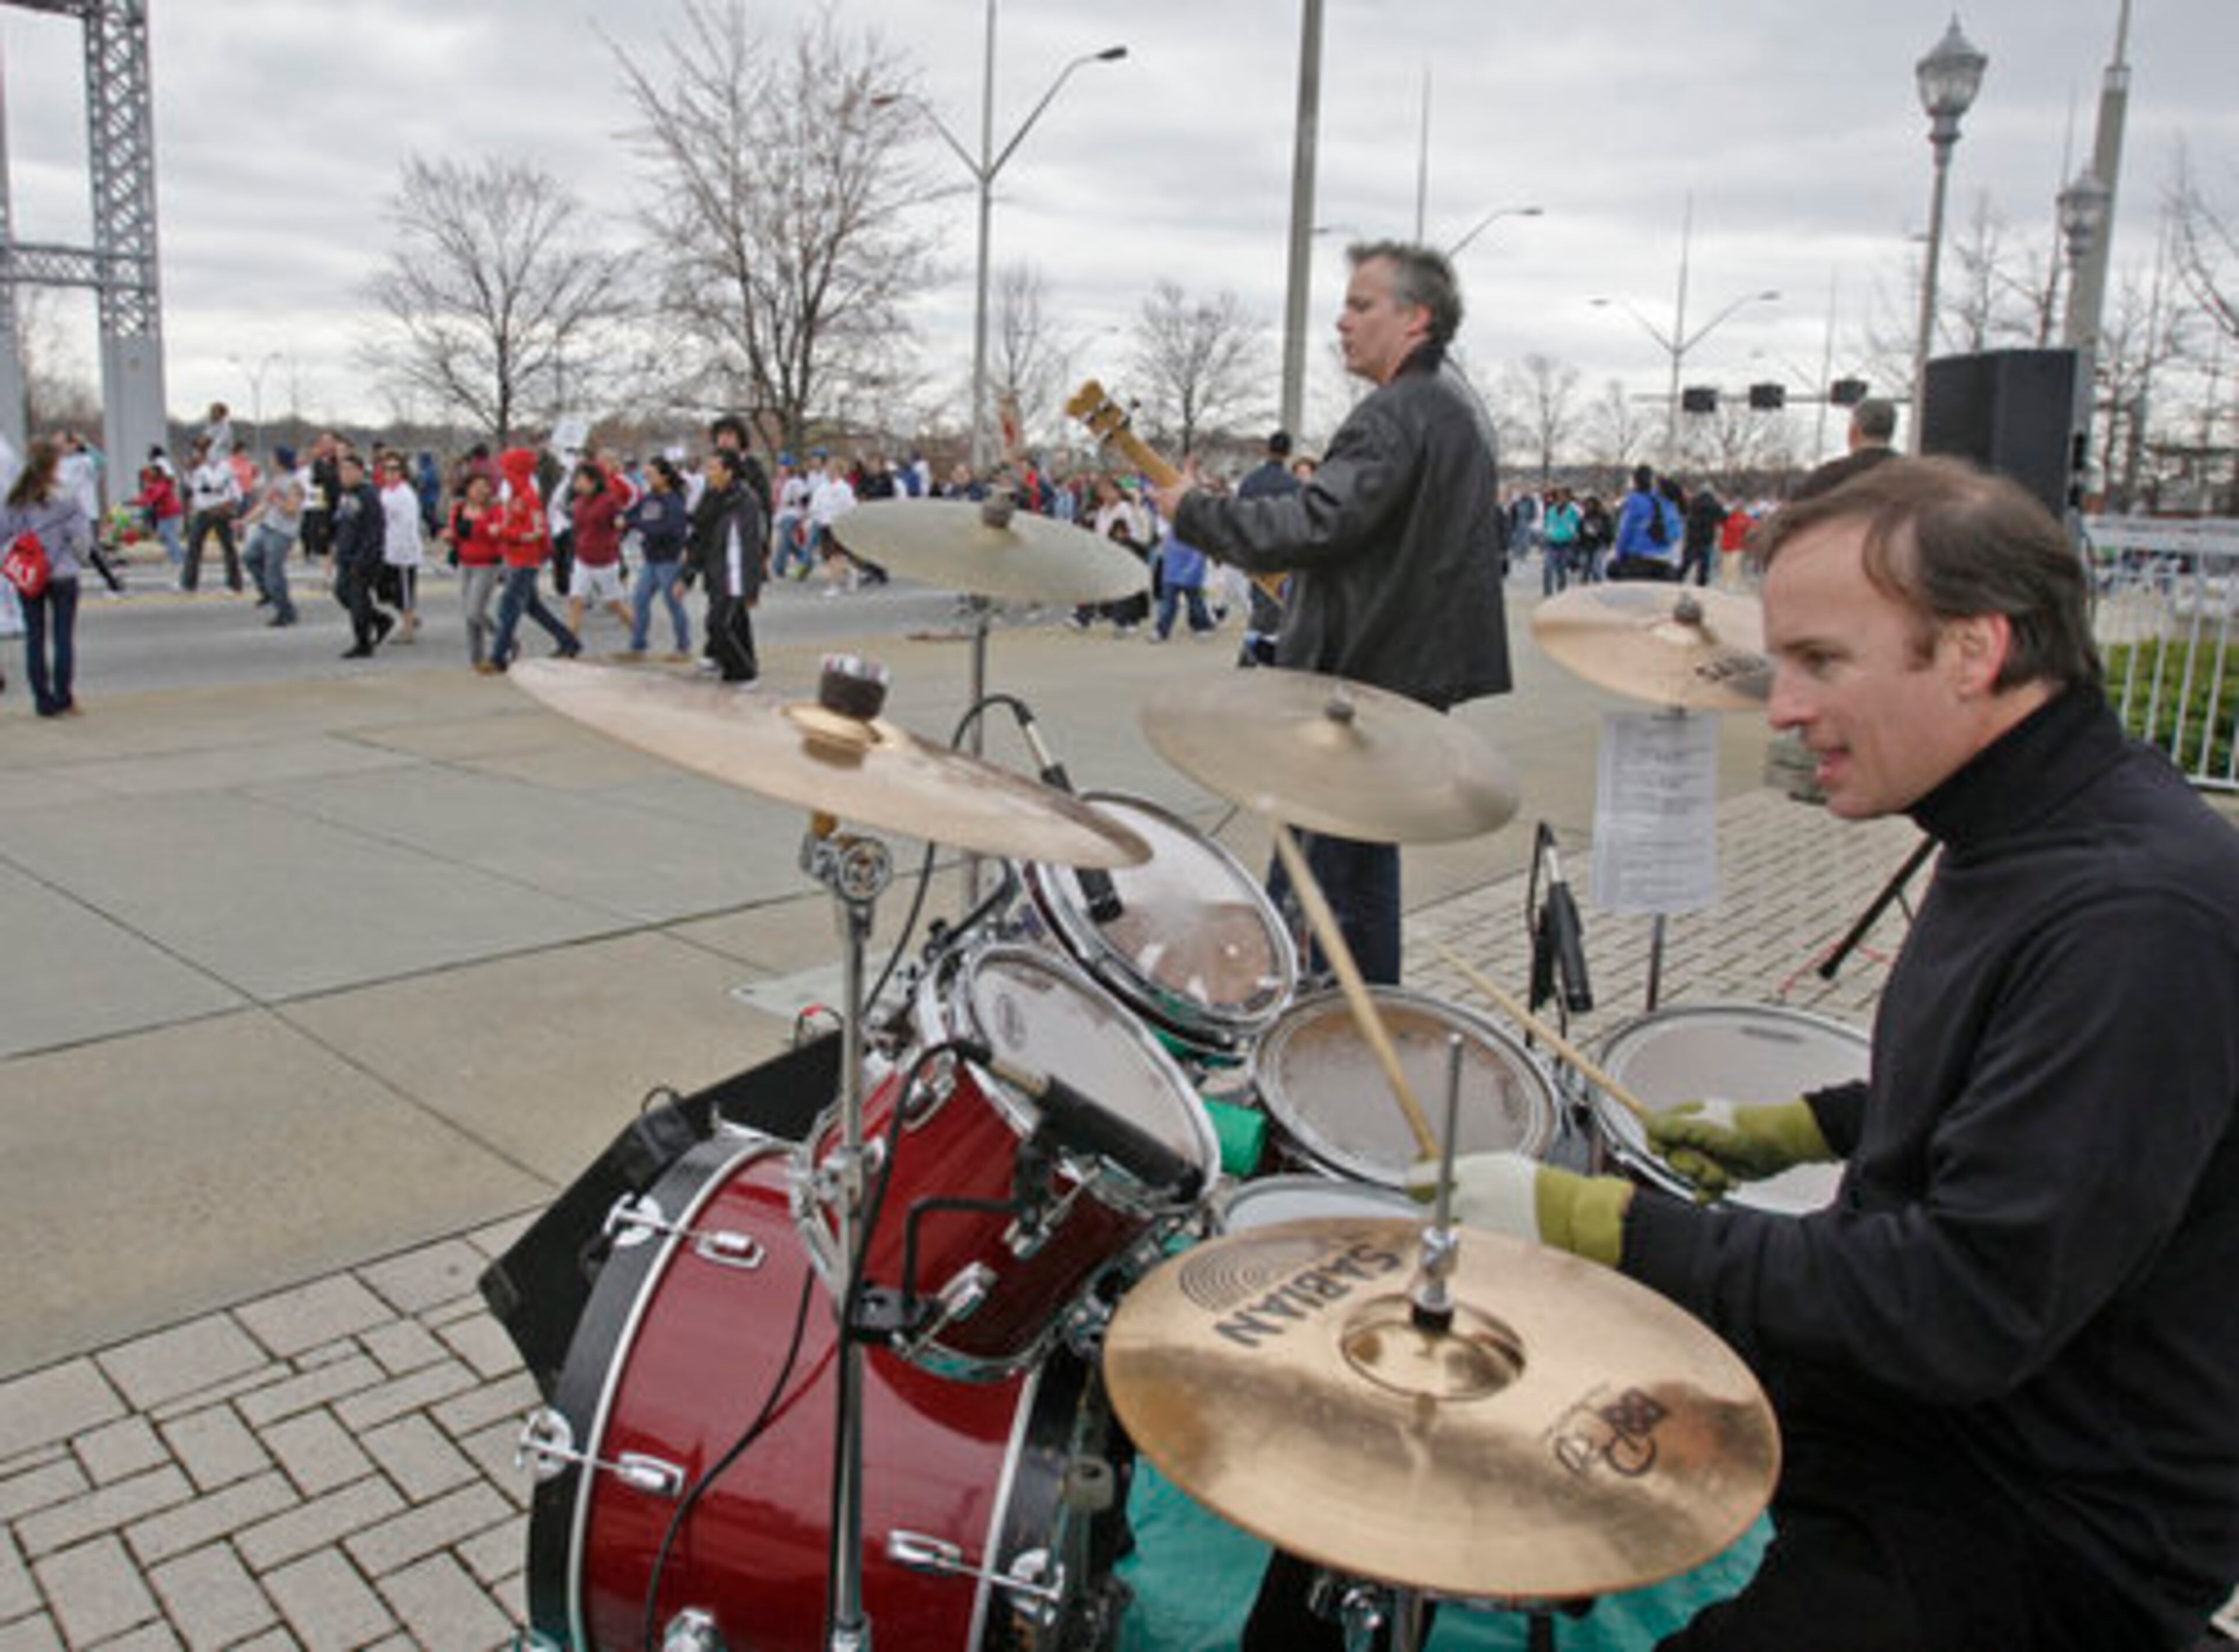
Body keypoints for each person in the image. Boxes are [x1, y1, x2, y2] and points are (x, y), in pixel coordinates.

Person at [1428, 456, 2239, 1652]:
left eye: (1820, 662)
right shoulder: (2023, 824)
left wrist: (1601, 1226)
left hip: (2043, 1520)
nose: (1783, 707)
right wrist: (1804, 1127)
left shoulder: (2134, 916)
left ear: (1973, 650)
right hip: (1937, 1423)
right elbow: (2005, 1089)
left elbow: (1963, 1304)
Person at [1148, 239, 1510, 989]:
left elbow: (1315, 524)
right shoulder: (1454, 410)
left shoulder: (1395, 413)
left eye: (1360, 304)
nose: (1342, 322)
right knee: (1363, 884)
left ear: (1416, 318)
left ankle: (1303, 1048)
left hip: (1355, 694)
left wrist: (1197, 514)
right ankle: (1366, 1033)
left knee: (1311, 895)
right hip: (1402, 686)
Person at [3, 436, 93, 717]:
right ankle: (64, 696)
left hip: (31, 573)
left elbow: (4, 532)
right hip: (63, 573)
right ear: (55, 463)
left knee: (35, 637)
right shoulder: (67, 495)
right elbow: (81, 538)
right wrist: (81, 558)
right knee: (63, 637)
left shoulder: (18, 498)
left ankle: (42, 700)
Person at [487, 447, 580, 672]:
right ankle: (568, 641)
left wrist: (502, 532)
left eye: (507, 469)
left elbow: (536, 532)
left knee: (508, 608)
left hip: (525, 561)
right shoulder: (517, 495)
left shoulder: (529, 497)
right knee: (532, 607)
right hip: (515, 557)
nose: (504, 473)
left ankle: (498, 657)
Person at [686, 447, 766, 684]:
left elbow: (753, 544)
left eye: (713, 468)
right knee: (735, 625)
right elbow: (701, 534)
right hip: (717, 570)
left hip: (736, 574)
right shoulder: (712, 496)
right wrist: (689, 572)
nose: (708, 473)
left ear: (729, 472)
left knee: (719, 624)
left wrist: (753, 586)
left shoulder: (746, 500)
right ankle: (740, 668)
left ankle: (744, 673)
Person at [619, 456, 693, 661]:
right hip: (650, 559)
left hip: (669, 560)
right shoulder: (649, 498)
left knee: (673, 604)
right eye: (646, 476)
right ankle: (638, 645)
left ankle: (683, 647)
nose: (648, 479)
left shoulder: (674, 501)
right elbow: (633, 515)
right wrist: (624, 521)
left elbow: (670, 530)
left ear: (665, 476)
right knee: (640, 600)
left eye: (651, 475)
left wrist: (642, 526)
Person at [564, 461, 633, 642]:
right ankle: (571, 643)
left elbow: (621, 521)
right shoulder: (579, 502)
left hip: (605, 560)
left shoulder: (609, 500)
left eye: (580, 479)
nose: (576, 483)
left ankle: (637, 632)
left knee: (614, 603)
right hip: (583, 558)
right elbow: (577, 527)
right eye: (575, 480)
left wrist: (619, 527)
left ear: (593, 481)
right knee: (576, 600)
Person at [330, 451, 390, 659]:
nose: (343, 475)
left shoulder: (369, 496)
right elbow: (342, 525)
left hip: (363, 559)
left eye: (348, 470)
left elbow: (375, 532)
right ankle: (379, 620)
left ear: (359, 472)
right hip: (346, 557)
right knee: (341, 593)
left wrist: (363, 559)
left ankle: (363, 643)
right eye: (341, 470)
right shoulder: (345, 496)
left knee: (358, 599)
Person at [445, 472, 505, 673]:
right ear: (468, 489)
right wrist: (450, 536)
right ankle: (477, 659)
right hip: (466, 564)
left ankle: (503, 639)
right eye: (476, 486)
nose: (481, 491)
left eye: (485, 486)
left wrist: (475, 527)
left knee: (474, 612)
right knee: (470, 616)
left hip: (487, 564)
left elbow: (494, 533)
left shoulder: (495, 509)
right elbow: (456, 535)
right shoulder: (459, 508)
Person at [240, 447, 303, 627]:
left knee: (274, 573)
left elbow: (292, 510)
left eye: (273, 457)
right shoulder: (275, 480)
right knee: (249, 557)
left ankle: (286, 612)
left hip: (282, 533)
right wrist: (244, 521)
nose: (270, 459)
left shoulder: (294, 483)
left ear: (281, 460)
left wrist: (278, 501)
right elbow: (264, 505)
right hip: (267, 527)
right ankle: (268, 592)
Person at [1798, 395, 1900, 499]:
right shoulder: (1911, 477)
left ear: (1854, 432)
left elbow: (1792, 511)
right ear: (1891, 434)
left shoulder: (1828, 477)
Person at [182, 437, 244, 593]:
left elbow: (215, 484)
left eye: (203, 450)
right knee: (194, 546)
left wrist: (231, 506)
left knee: (228, 547)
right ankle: (189, 583)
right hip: (204, 512)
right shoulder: (199, 468)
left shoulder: (224, 467)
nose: (198, 453)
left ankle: (234, 583)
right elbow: (193, 487)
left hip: (221, 511)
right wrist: (190, 471)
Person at [377, 453, 426, 642]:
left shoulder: (406, 495)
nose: (390, 473)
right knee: (383, 589)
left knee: (405, 592)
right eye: (387, 469)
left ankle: (408, 631)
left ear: (402, 472)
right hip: (387, 549)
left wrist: (404, 550)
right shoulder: (385, 492)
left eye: (395, 469)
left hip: (404, 551)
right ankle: (411, 618)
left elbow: (408, 524)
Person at [1609, 463, 1683, 581]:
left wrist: (1618, 556)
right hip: (1666, 561)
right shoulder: (1664, 501)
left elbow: (1625, 532)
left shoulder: (1634, 500)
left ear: (1636, 481)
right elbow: (1677, 533)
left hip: (1640, 560)